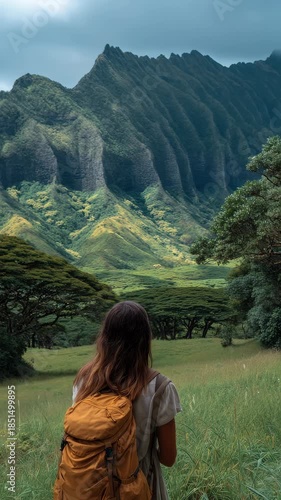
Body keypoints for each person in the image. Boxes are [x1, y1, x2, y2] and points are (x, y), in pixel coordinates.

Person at [72, 301, 182, 499]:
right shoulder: (160, 388)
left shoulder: (83, 382)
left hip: (90, 488)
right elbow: (168, 458)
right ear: (145, 338)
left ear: (105, 337)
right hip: (142, 488)